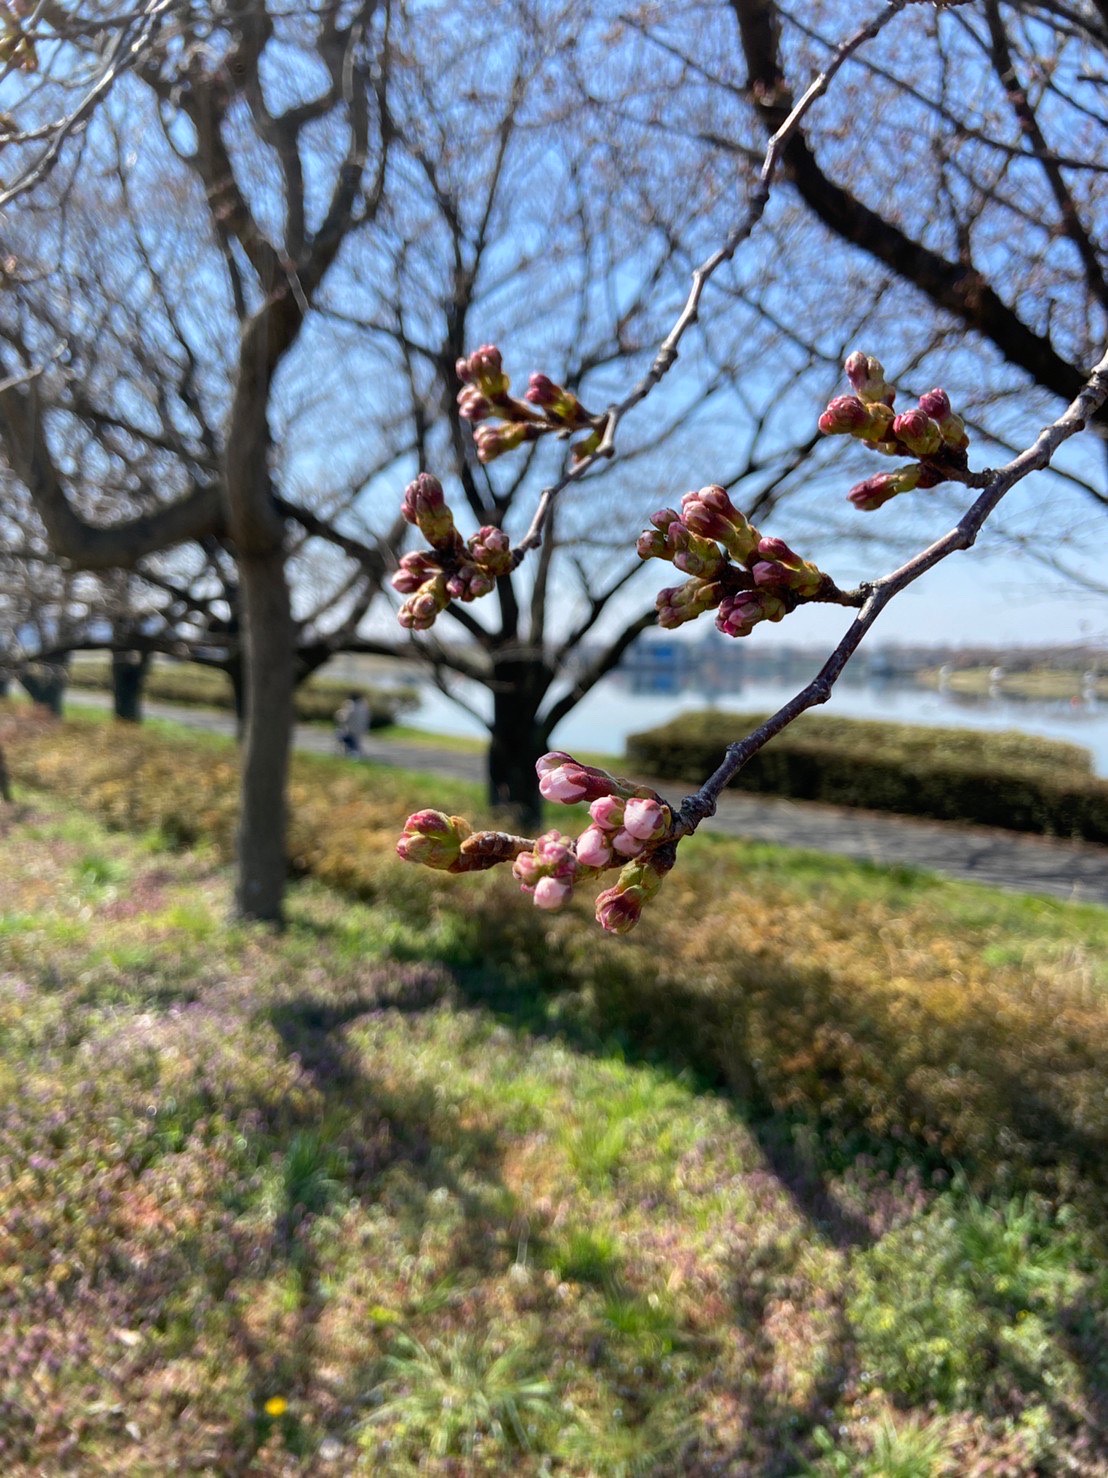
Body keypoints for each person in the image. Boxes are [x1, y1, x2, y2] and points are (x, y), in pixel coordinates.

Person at [334, 692, 371, 758]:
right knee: (357, 744)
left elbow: (344, 718)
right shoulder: (364, 707)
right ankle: (356, 755)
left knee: (349, 743)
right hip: (361, 729)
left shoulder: (351, 706)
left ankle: (350, 756)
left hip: (350, 730)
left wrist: (339, 714)